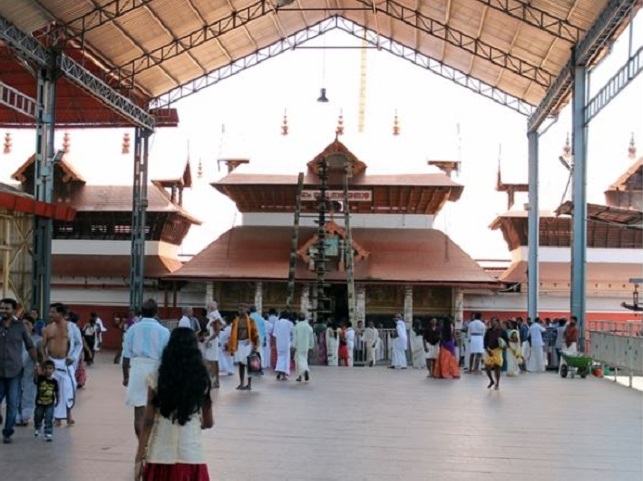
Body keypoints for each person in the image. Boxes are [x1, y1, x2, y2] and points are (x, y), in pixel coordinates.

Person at [135, 328, 213, 481]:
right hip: (192, 453)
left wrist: (139, 457)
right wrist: (198, 422)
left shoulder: (158, 376)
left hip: (160, 454)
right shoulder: (201, 378)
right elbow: (209, 422)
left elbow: (148, 421)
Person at [122, 299, 170, 439]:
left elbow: (126, 356)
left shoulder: (132, 329)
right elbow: (167, 356)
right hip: (156, 369)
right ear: (157, 312)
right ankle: (153, 443)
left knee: (139, 410)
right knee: (156, 408)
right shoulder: (164, 331)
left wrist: (125, 376)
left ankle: (141, 443)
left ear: (141, 312)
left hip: (137, 369)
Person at [0, 298, 38, 443]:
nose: (3, 311)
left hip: (15, 371)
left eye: (6, 308)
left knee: (12, 403)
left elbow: (30, 346)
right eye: (1, 308)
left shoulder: (20, 327)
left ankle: (8, 432)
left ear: (14, 310)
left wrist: (37, 364)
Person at [39, 303, 83, 427]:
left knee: (69, 389)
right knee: (52, 390)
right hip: (52, 364)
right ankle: (56, 417)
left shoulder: (72, 328)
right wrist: (45, 359)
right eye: (50, 312)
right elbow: (42, 347)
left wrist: (73, 357)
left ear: (62, 314)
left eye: (53, 312)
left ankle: (68, 415)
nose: (50, 314)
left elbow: (79, 344)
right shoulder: (48, 328)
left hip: (66, 363)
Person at [227, 305, 260, 390]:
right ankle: (241, 383)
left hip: (247, 345)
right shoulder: (236, 321)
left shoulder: (251, 321)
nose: (241, 311)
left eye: (242, 309)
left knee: (249, 364)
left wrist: (255, 345)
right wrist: (231, 346)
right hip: (239, 344)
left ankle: (249, 384)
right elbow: (232, 334)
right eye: (239, 310)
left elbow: (255, 334)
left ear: (247, 310)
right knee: (241, 364)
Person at [33, 359, 59, 442]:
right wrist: (36, 371)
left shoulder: (55, 382)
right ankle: (37, 426)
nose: (48, 370)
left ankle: (48, 433)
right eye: (46, 368)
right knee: (38, 416)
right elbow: (35, 379)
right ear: (43, 370)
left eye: (50, 368)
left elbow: (57, 392)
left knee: (49, 417)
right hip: (40, 403)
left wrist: (58, 400)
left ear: (54, 370)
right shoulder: (40, 379)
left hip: (50, 403)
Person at [484, 318, 509, 390]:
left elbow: (506, 340)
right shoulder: (488, 331)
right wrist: (486, 349)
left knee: (497, 366)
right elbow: (485, 340)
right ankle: (491, 380)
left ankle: (497, 383)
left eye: (493, 322)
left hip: (498, 350)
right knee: (487, 367)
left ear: (497, 322)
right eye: (491, 321)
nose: (491, 323)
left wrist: (505, 346)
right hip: (490, 350)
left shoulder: (502, 331)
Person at [203, 302, 222, 388]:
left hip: (213, 342)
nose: (207, 308)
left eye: (208, 307)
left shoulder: (215, 317)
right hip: (211, 340)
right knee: (212, 361)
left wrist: (208, 340)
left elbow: (217, 331)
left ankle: (214, 381)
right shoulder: (212, 317)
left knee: (212, 361)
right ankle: (215, 381)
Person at [292, 314, 314, 382]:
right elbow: (311, 338)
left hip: (299, 346)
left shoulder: (296, 326)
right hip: (306, 346)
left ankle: (305, 370)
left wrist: (294, 346)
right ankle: (300, 376)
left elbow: (295, 337)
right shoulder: (309, 327)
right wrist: (311, 346)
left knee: (299, 361)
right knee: (304, 360)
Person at [273, 311, 294, 380]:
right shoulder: (289, 323)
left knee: (280, 357)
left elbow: (274, 335)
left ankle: (279, 372)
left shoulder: (277, 323)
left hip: (279, 343)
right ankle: (284, 375)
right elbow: (292, 333)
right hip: (286, 343)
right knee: (286, 358)